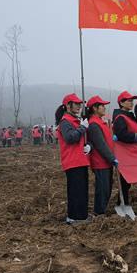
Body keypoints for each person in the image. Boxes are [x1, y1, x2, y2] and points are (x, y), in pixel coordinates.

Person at [55, 93, 91, 224]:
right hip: (72, 161)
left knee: (82, 190)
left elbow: (80, 140)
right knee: (76, 191)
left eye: (80, 104)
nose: (79, 106)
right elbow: (70, 138)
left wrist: (88, 146)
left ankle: (82, 216)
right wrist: (82, 128)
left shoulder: (75, 120)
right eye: (76, 104)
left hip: (80, 160)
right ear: (67, 106)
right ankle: (74, 217)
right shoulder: (65, 121)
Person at [85, 95, 118, 215]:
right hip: (100, 162)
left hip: (106, 162)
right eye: (102, 106)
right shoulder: (94, 124)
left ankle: (102, 210)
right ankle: (99, 212)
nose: (104, 108)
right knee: (102, 189)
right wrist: (112, 158)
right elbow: (100, 145)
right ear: (94, 108)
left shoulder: (100, 122)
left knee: (107, 187)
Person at [112, 91, 137, 207]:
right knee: (124, 180)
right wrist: (135, 137)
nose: (131, 103)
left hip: (132, 152)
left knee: (127, 180)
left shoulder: (129, 116)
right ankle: (123, 202)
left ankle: (124, 201)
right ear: (121, 103)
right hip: (125, 153)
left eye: (132, 101)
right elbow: (122, 134)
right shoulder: (120, 117)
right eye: (128, 101)